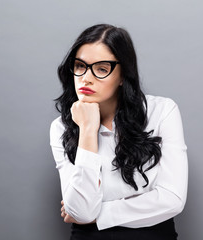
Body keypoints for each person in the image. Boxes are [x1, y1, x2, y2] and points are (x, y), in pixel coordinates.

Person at [49, 24, 188, 240]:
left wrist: (100, 214)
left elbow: (172, 199)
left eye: (102, 69)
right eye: (79, 66)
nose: (86, 78)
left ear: (123, 75)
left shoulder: (162, 112)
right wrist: (87, 130)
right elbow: (82, 212)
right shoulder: (62, 127)